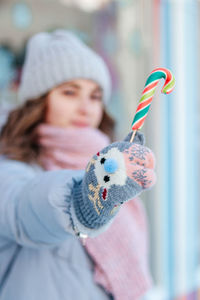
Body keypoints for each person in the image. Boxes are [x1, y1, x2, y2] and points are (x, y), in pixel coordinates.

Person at [0, 30, 156, 300]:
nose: (85, 108)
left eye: (95, 96)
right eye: (70, 93)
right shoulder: (12, 167)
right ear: (39, 101)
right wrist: (85, 199)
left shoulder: (108, 162)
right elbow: (23, 208)